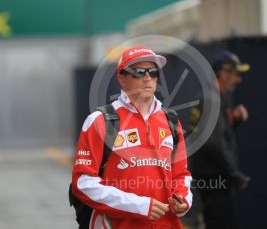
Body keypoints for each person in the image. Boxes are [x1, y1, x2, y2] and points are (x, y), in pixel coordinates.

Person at [71, 45, 193, 228]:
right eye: (138, 72)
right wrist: (140, 206)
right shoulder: (100, 121)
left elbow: (181, 175)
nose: (147, 78)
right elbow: (82, 183)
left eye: (153, 72)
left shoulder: (171, 121)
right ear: (122, 79)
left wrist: (183, 201)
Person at [189, 50, 250, 229]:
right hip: (216, 181)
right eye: (236, 74)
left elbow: (216, 136)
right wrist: (234, 175)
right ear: (223, 73)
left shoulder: (212, 98)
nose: (239, 80)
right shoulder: (211, 100)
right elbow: (214, 143)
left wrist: (234, 120)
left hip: (212, 179)